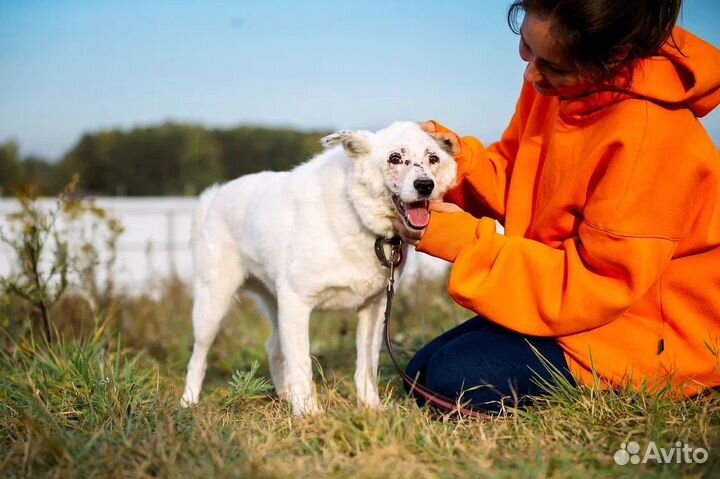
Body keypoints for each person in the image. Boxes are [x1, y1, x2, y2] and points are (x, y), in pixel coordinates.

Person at [392, 0, 720, 413]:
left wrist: (467, 244)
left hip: (644, 330)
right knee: (423, 372)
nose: (531, 73)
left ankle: (687, 382)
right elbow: (519, 181)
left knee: (449, 383)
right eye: (526, 47)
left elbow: (599, 284)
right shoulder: (560, 84)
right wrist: (453, 165)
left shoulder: (650, 137)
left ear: (613, 58)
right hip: (566, 301)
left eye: (553, 65)